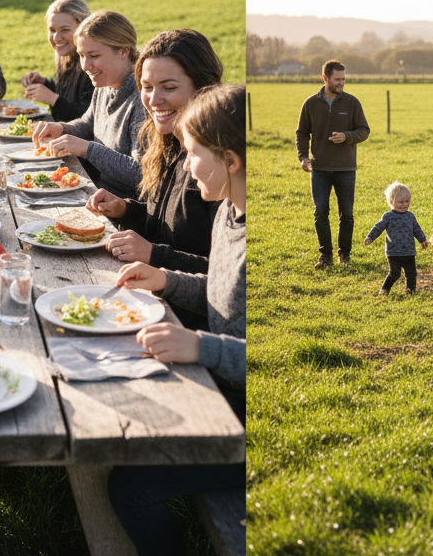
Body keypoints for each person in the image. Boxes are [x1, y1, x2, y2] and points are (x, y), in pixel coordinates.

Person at [107, 84, 245, 556]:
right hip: (218, 389)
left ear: (231, 160)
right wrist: (165, 278)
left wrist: (200, 347)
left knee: (130, 488)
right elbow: (219, 288)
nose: (186, 165)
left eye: (192, 154)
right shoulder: (230, 211)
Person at [87, 29, 224, 276]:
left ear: (203, 87)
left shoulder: (220, 160)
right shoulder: (166, 143)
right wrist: (125, 210)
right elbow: (164, 225)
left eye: (169, 87)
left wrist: (153, 254)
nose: (153, 99)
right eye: (147, 87)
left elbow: (226, 275)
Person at [32, 10, 147, 199]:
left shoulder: (143, 99)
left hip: (125, 208)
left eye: (93, 55)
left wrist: (88, 149)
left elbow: (139, 174)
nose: (85, 66)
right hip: (96, 191)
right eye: (82, 56)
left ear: (124, 51)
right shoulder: (105, 84)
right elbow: (87, 124)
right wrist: (61, 128)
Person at [295, 59, 370, 268]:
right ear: (325, 78)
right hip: (319, 169)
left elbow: (364, 130)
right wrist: (303, 157)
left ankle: (344, 254)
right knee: (320, 211)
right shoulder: (310, 104)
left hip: (346, 168)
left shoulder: (352, 102)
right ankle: (325, 256)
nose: (341, 83)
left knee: (346, 213)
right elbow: (301, 133)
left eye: (344, 79)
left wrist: (346, 136)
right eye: (338, 79)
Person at [19, 0, 96, 121]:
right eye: (52, 30)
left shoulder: (92, 63)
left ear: (83, 28)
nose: (56, 38)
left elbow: (88, 119)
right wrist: (45, 84)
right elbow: (69, 97)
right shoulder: (65, 56)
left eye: (65, 30)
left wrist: (52, 99)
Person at [364, 180, 428, 296]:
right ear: (391, 202)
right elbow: (378, 228)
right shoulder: (388, 216)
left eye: (407, 201)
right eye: (401, 202)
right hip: (393, 252)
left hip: (409, 251)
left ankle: (410, 292)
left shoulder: (410, 216)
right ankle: (384, 290)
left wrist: (422, 239)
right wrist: (370, 237)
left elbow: (416, 229)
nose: (404, 205)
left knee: (411, 273)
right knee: (395, 273)